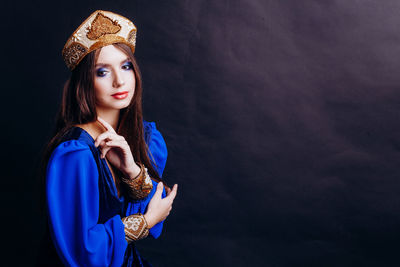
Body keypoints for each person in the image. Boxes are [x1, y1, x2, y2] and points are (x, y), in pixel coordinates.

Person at [36, 10, 178, 267]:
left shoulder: (146, 137)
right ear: (85, 82)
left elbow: (152, 206)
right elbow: (83, 252)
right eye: (102, 72)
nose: (119, 80)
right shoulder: (75, 154)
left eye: (125, 66)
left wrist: (132, 171)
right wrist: (145, 224)